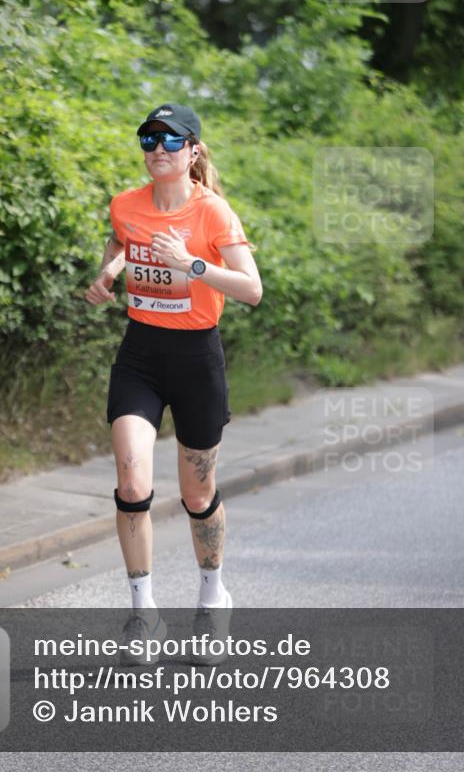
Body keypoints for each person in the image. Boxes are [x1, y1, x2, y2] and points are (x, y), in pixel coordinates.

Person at [85, 103, 262, 663]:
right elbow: (121, 240)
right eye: (148, 139)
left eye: (169, 140)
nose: (156, 149)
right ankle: (144, 612)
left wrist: (191, 265)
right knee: (132, 481)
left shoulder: (213, 213)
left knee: (197, 493)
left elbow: (252, 289)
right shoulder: (125, 204)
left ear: (192, 151)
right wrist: (109, 271)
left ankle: (212, 599)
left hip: (195, 358)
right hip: (140, 353)